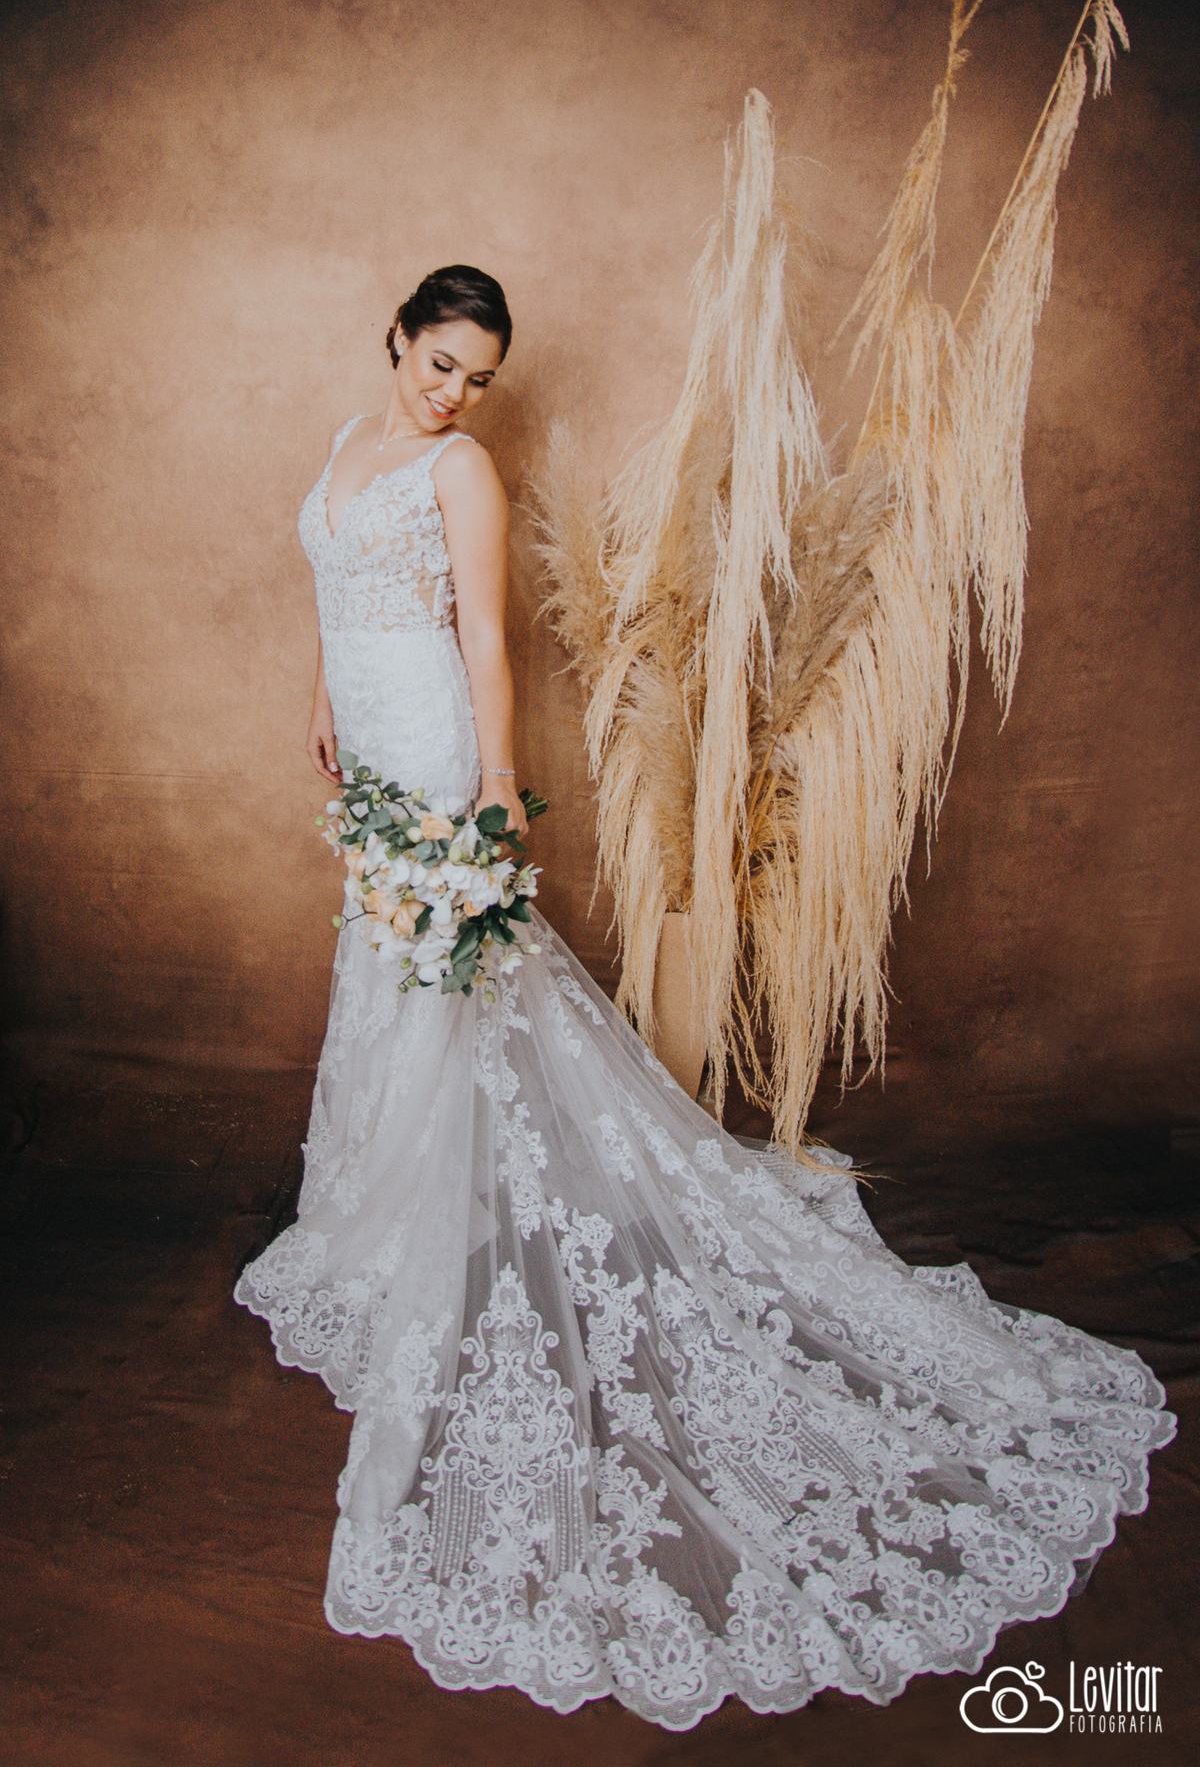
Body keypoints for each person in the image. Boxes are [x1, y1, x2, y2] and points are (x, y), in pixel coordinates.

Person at [235, 265, 1174, 1730]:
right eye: (440, 362)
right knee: (389, 966)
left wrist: (490, 786)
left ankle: (452, 1223)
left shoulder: (462, 467)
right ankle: (381, 1213)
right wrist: (319, 697)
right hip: (367, 719)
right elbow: (338, 587)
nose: (455, 392)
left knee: (461, 973)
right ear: (400, 339)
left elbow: (482, 634)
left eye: (478, 374)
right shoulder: (358, 437)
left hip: (433, 742)